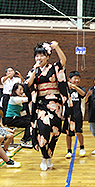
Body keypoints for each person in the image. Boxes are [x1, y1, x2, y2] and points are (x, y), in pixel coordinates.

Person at [25, 41, 70, 171]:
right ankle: (44, 156)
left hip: (55, 103)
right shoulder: (34, 70)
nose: (39, 58)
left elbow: (63, 60)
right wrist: (34, 70)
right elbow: (28, 84)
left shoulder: (54, 67)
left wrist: (56, 48)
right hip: (41, 104)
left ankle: (49, 156)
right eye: (37, 56)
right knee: (43, 129)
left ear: (48, 56)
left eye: (42, 55)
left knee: (55, 132)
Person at [64, 71, 86, 159]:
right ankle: (69, 151)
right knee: (68, 133)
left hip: (77, 114)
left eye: (78, 78)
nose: (76, 80)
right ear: (70, 79)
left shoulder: (81, 88)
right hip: (68, 114)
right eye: (74, 78)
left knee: (79, 132)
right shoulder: (66, 89)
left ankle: (82, 148)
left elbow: (83, 94)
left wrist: (75, 87)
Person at [4, 83, 32, 148]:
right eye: (20, 89)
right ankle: (25, 140)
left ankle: (26, 138)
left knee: (31, 120)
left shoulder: (18, 98)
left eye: (23, 89)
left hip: (16, 118)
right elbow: (28, 99)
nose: (22, 91)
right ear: (15, 90)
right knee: (29, 123)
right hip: (10, 119)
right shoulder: (14, 99)